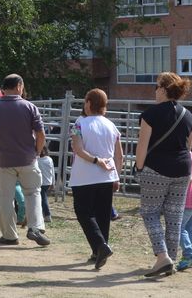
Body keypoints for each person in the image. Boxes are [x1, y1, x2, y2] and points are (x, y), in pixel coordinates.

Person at [136, 72, 192, 277]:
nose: (154, 91)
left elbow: (142, 147)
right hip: (183, 170)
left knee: (150, 213)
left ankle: (162, 257)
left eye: (156, 87)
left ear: (163, 88)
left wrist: (138, 168)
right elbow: (188, 147)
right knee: (174, 217)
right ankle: (171, 259)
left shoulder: (149, 115)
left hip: (156, 170)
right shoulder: (188, 115)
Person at [0, 73, 50, 246]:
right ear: (19, 86)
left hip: (3, 160)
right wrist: (36, 151)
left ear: (3, 88)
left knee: (5, 198)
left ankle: (9, 235)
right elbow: (40, 134)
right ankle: (35, 228)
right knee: (33, 192)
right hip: (28, 158)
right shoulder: (29, 107)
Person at [69, 88, 123, 270]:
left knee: (83, 212)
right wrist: (117, 175)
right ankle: (99, 250)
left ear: (89, 103)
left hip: (84, 177)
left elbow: (77, 148)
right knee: (102, 214)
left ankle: (100, 246)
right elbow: (119, 156)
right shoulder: (111, 125)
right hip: (107, 176)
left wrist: (95, 160)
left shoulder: (80, 123)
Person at [177, 151, 192, 271]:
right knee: (189, 229)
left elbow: (189, 178)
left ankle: (189, 254)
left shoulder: (183, 156)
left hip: (187, 199)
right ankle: (189, 258)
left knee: (178, 228)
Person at [37, 146, 54, 223]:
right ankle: (44, 215)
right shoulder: (49, 159)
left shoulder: (37, 160)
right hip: (48, 182)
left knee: (43, 199)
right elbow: (52, 171)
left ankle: (47, 215)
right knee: (42, 198)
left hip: (41, 182)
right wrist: (53, 182)